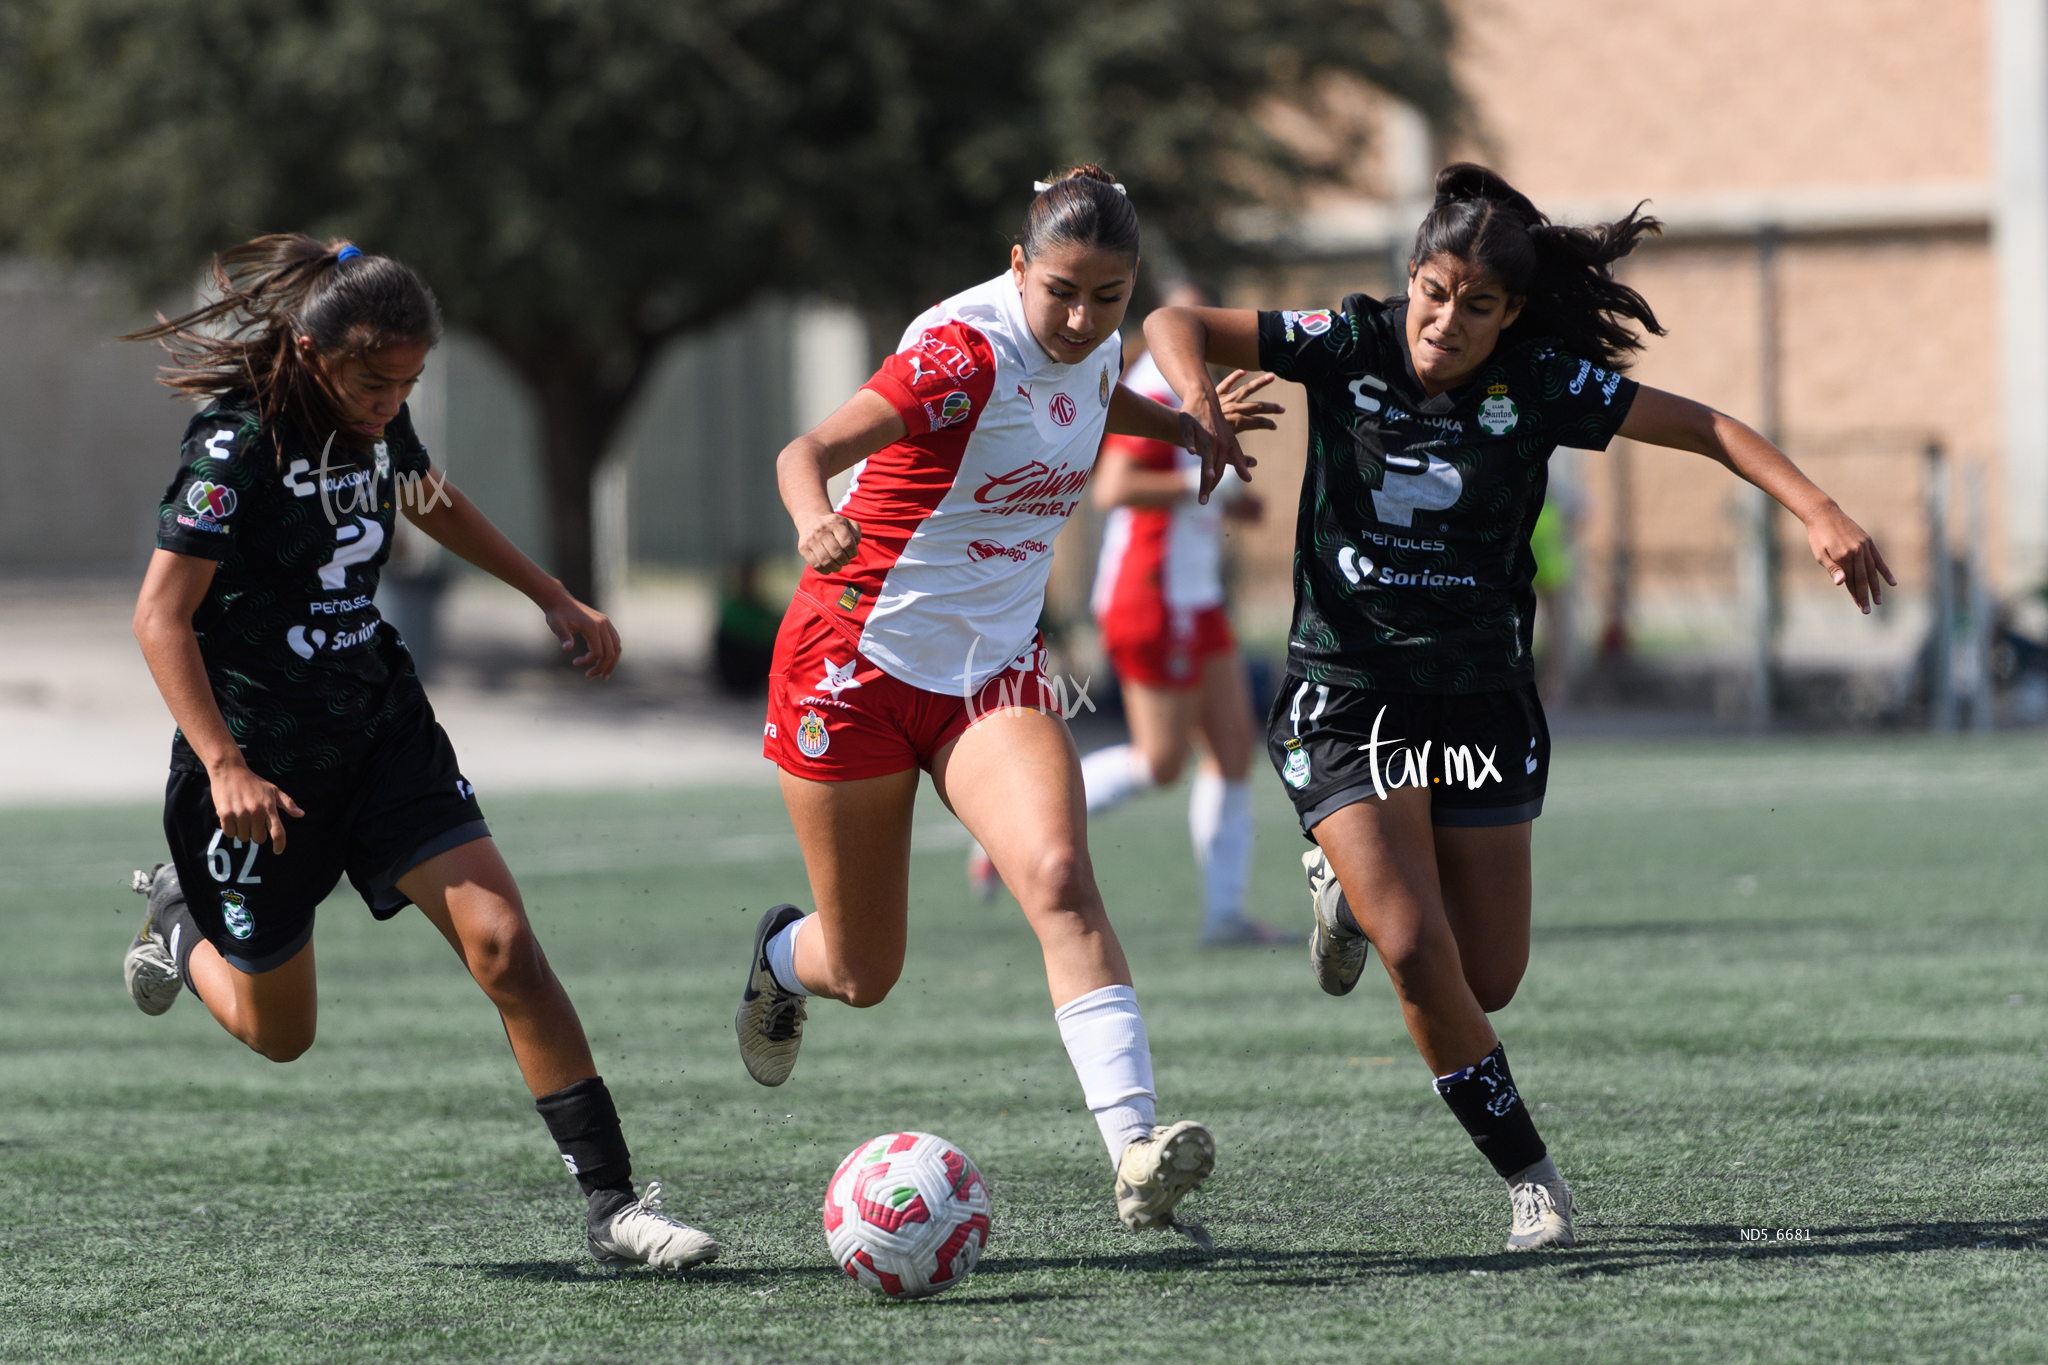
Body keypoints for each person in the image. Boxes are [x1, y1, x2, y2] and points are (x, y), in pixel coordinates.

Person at [1143, 164, 1894, 1251]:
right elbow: (1174, 320)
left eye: (1478, 305)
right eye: (1433, 292)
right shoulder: (1344, 341)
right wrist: (1196, 400)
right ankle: (1529, 1177)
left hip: (1481, 705)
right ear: (1410, 277)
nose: (1444, 322)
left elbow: (1707, 427)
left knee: (1483, 974)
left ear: (1512, 314)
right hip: (1345, 697)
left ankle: (1342, 890)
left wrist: (1817, 509)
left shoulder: (1541, 383)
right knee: (1413, 952)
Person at [119, 235, 718, 1271]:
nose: (391, 403)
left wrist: (552, 595)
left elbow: (429, 498)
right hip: (262, 773)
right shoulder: (236, 445)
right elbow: (160, 618)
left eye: (410, 382)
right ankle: (183, 925)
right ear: (311, 353)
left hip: (383, 732)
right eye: (372, 380)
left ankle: (613, 1206)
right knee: (279, 1033)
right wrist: (223, 766)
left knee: (505, 949)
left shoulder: (376, 426)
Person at [737, 167, 1271, 1241]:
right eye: (1061, 292)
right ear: (1018, 266)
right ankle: (775, 959)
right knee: (862, 968)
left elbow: (1080, 392)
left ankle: (1133, 1153)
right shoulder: (958, 353)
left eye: (1109, 296)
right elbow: (809, 453)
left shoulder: (1094, 338)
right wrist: (810, 520)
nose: (1083, 319)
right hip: (855, 664)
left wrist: (1181, 431)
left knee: (1062, 877)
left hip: (990, 670)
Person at [1064, 280, 1291, 946]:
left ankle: (1225, 916)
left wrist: (1226, 500)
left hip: (1193, 594)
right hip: (1151, 590)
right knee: (1161, 763)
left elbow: (1193, 482)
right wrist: (1209, 486)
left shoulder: (1192, 383)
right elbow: (1115, 486)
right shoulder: (1157, 380)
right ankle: (1020, 812)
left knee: (1230, 750)